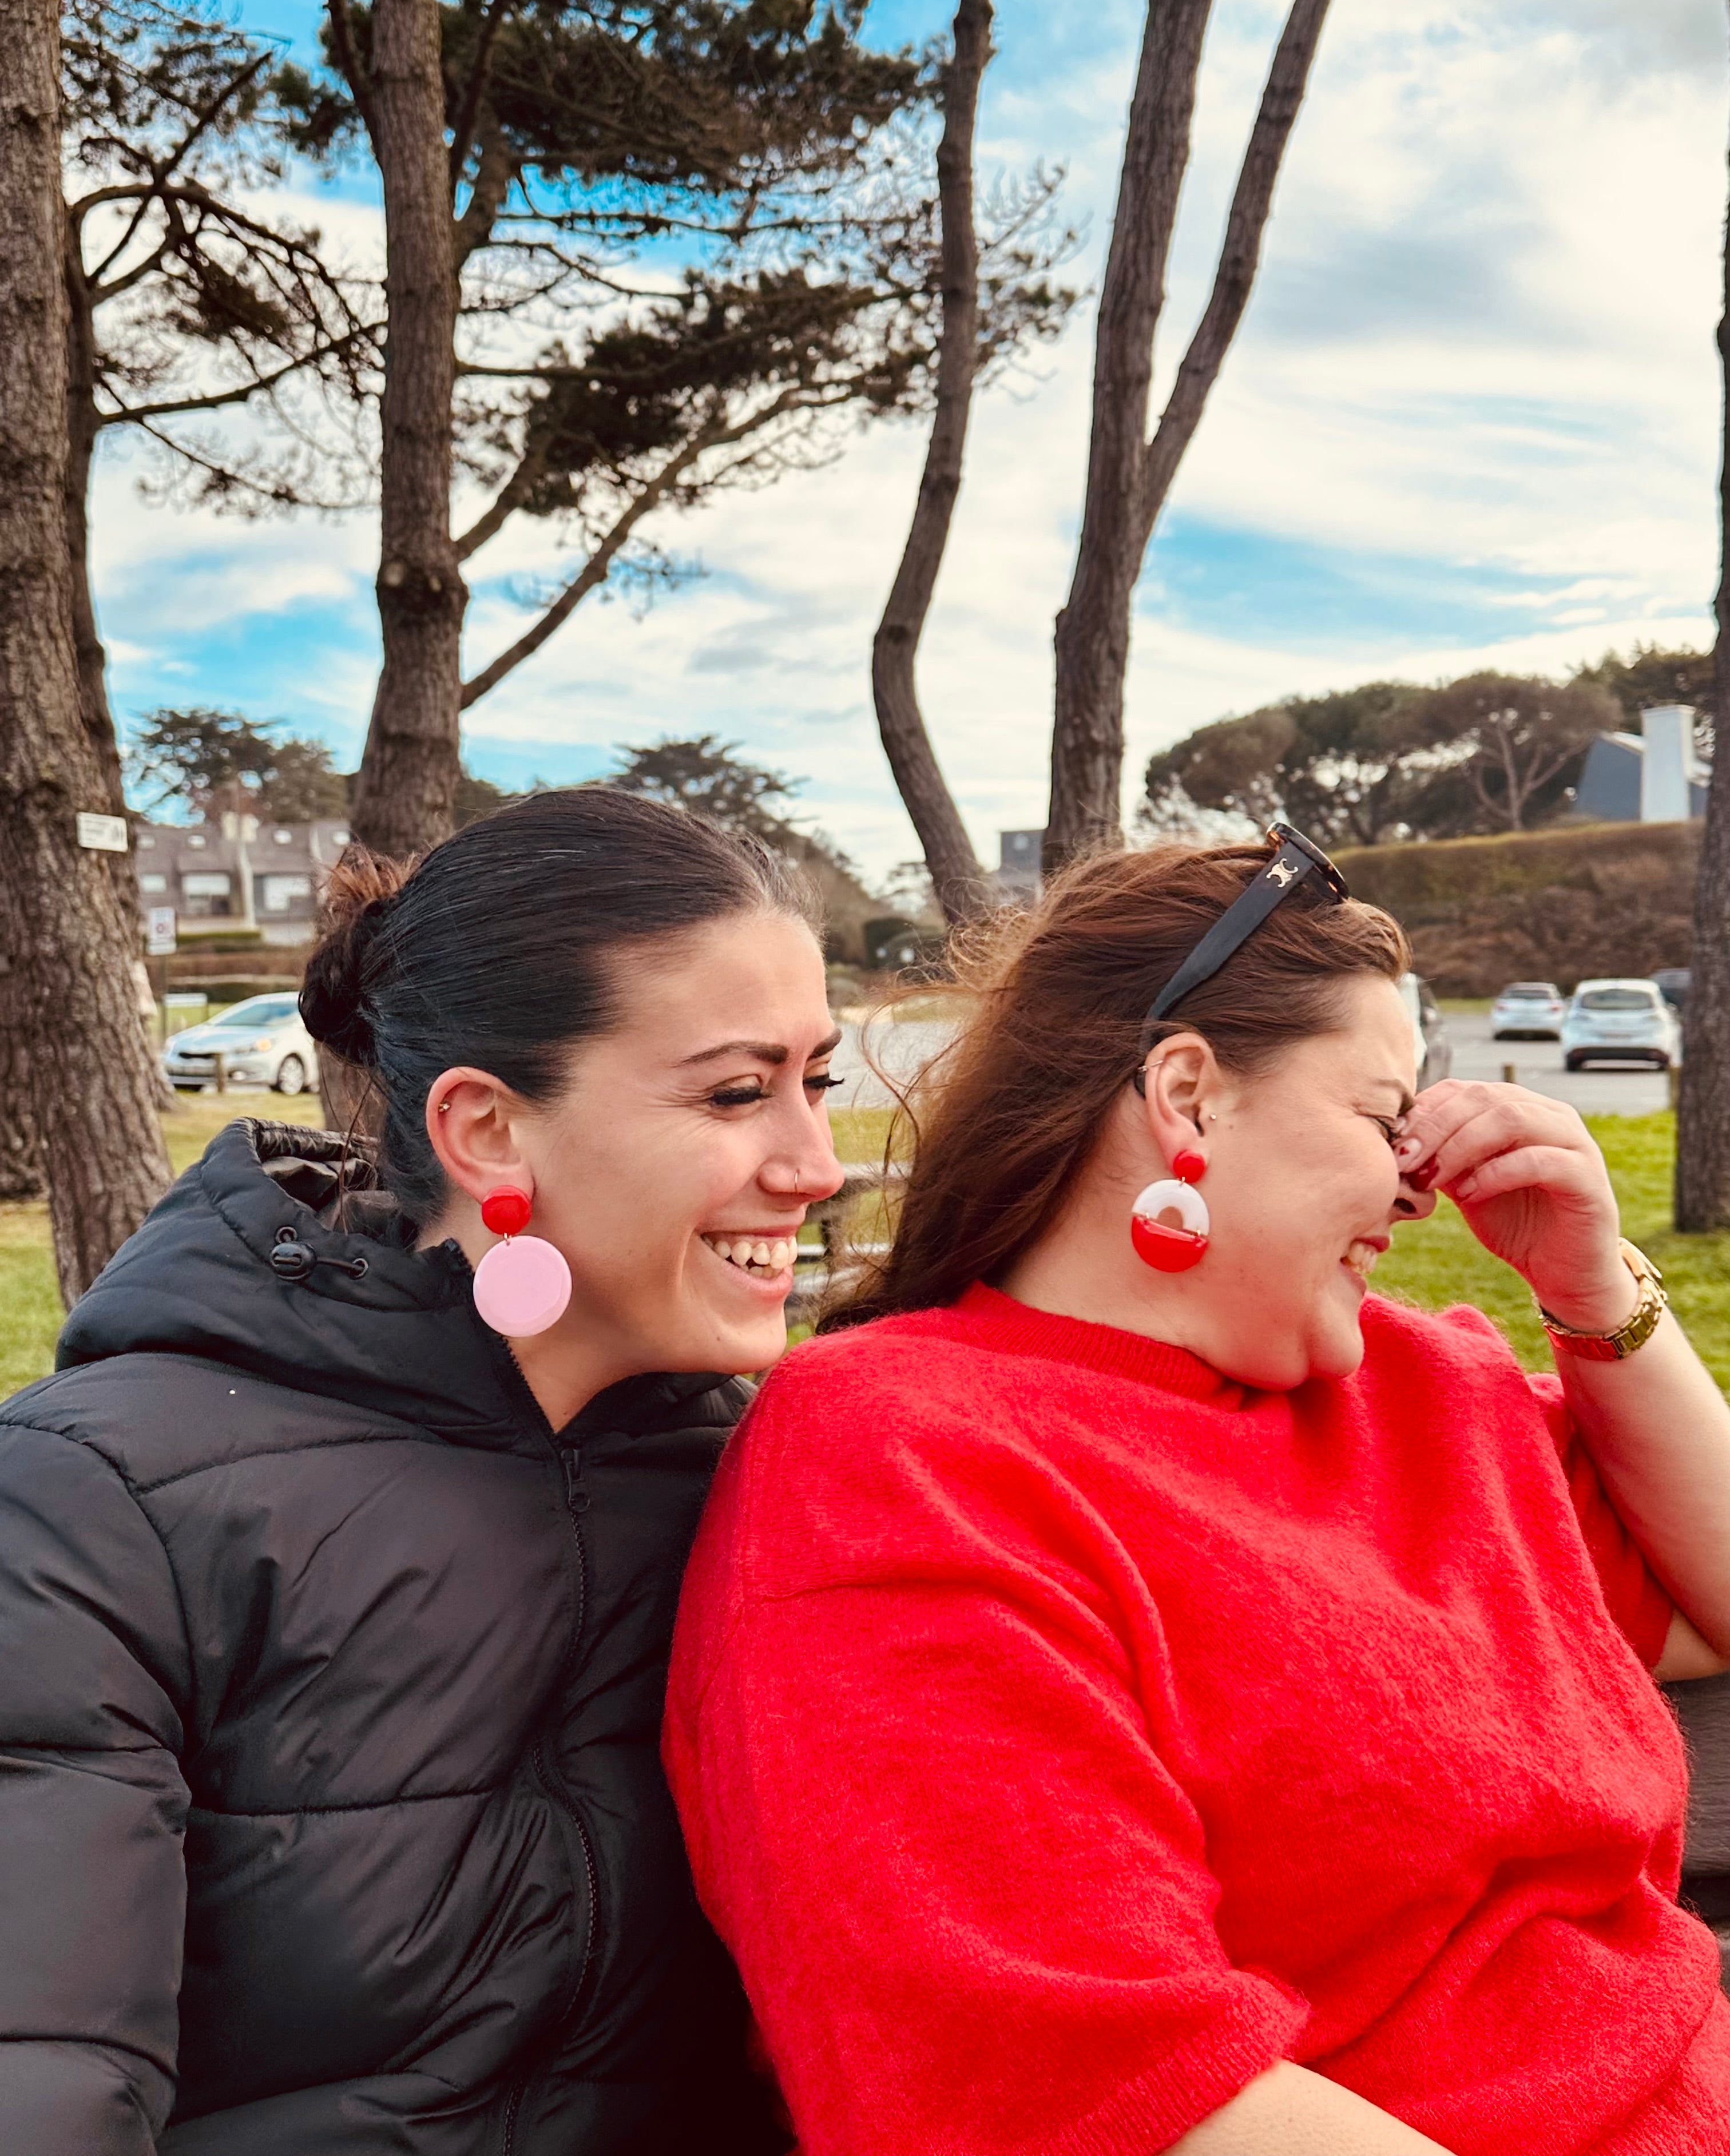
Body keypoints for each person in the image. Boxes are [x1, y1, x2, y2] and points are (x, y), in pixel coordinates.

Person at [665, 830, 1730, 2156]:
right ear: (1190, 1095)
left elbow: (1716, 1599)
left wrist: (1595, 1292)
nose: (1417, 1186)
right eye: (1381, 1117)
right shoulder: (900, 1460)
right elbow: (1078, 2085)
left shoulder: (1423, 1389)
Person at [0, 786, 843, 2154]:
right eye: (739, 1091)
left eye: (821, 1081)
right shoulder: (95, 1508)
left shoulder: (771, 1479)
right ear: (487, 1130)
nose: (815, 1164)